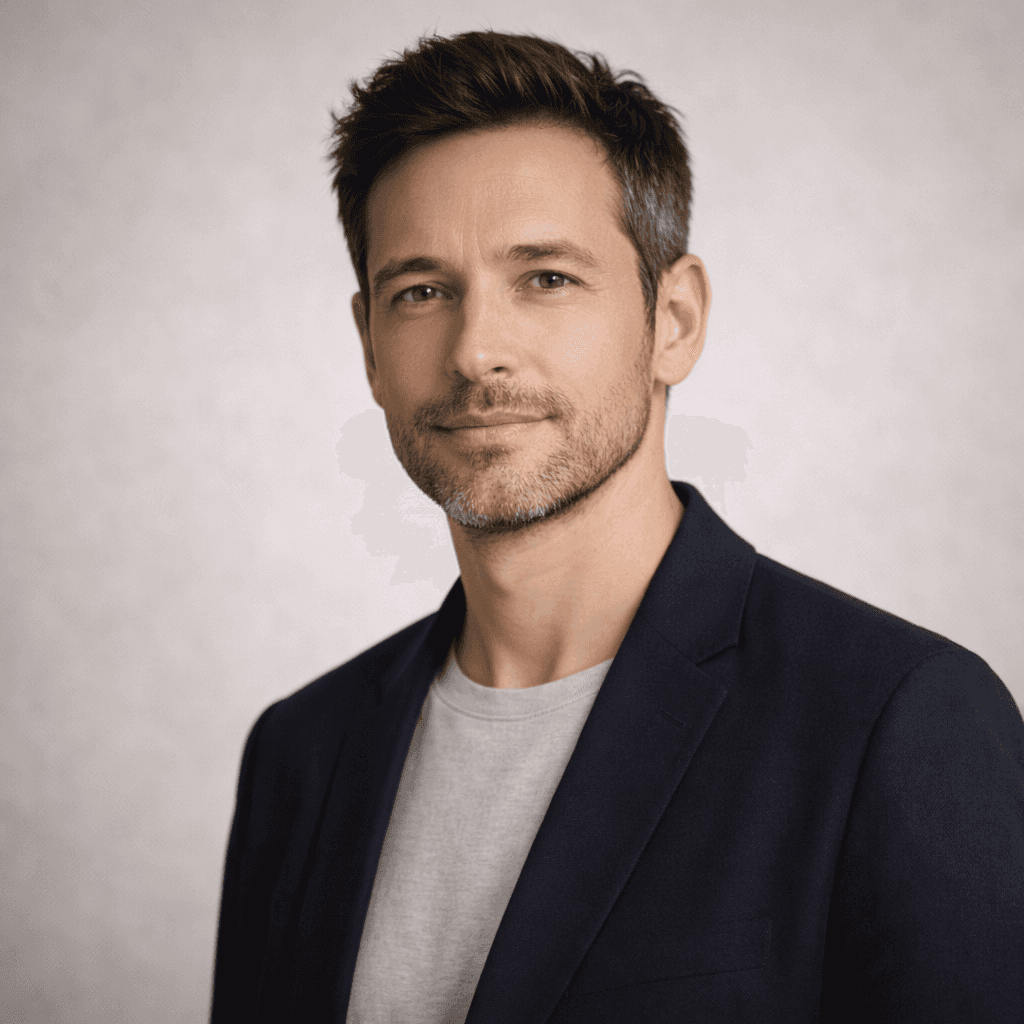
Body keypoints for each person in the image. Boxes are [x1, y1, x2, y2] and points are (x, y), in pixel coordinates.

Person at [210, 30, 1024, 1023]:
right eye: (421, 292)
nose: (476, 352)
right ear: (370, 347)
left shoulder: (896, 722)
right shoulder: (301, 753)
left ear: (672, 320)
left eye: (545, 277)